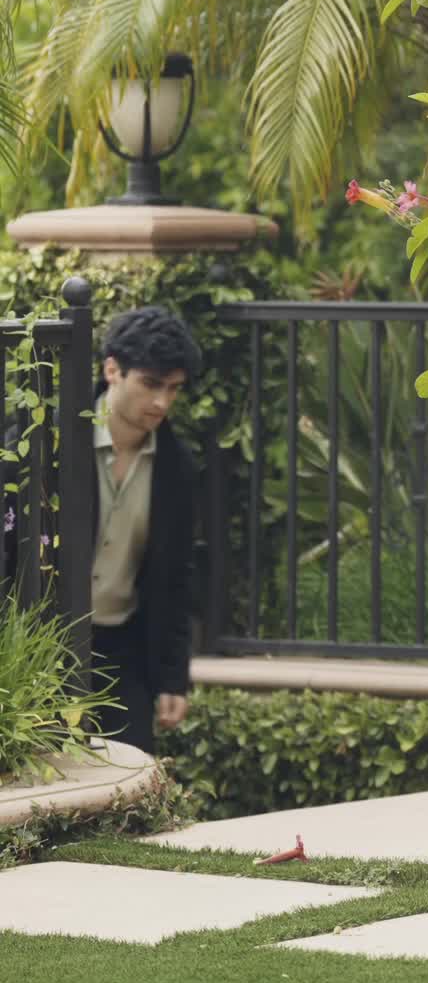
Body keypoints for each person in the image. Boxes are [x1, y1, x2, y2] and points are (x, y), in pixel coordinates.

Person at [87, 305, 202, 753]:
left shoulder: (177, 468)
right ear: (112, 370)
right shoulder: (52, 444)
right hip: (44, 646)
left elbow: (176, 577)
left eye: (173, 388)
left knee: (131, 780)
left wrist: (174, 676)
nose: (162, 402)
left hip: (124, 651)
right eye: (151, 384)